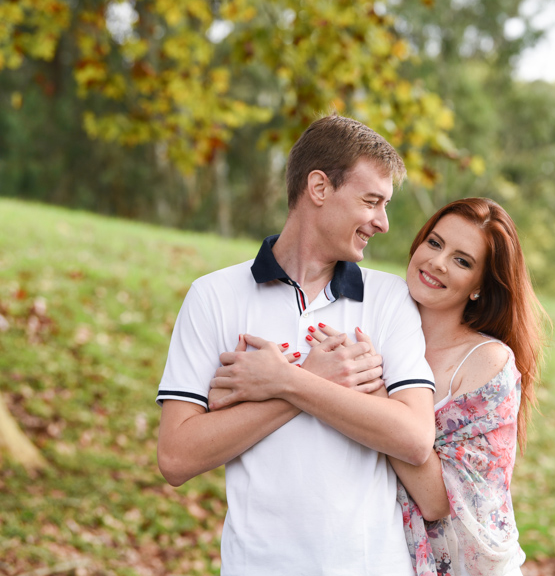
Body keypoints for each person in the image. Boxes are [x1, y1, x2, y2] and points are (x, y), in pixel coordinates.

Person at [155, 115, 436, 575]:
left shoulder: (390, 299)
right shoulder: (213, 296)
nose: (383, 223)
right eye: (371, 201)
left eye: (384, 205)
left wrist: (286, 381)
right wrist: (311, 378)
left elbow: (415, 439)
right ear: (319, 187)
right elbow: (175, 457)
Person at [211, 198, 547, 576]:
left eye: (462, 261)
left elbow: (437, 501)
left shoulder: (487, 362)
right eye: (434, 243)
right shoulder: (375, 324)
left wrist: (373, 390)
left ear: (479, 286)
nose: (438, 262)